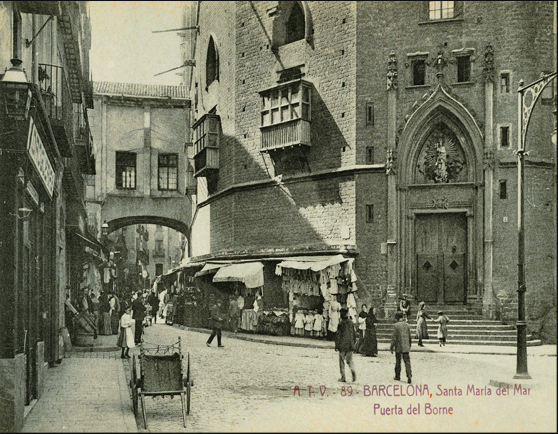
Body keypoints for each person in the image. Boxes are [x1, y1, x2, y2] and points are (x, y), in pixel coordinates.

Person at [335, 308, 357, 383]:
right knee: (350, 360)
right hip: (350, 345)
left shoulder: (341, 324)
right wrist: (354, 343)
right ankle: (353, 370)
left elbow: (338, 335)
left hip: (342, 345)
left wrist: (336, 345)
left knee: (341, 361)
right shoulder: (351, 323)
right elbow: (354, 334)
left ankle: (343, 377)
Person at [390, 311, 412, 384]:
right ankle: (409, 375)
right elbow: (409, 336)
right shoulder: (407, 325)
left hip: (399, 346)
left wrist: (391, 346)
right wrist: (409, 344)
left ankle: (397, 375)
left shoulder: (396, 325)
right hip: (406, 346)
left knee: (398, 361)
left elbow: (394, 337)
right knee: (407, 361)